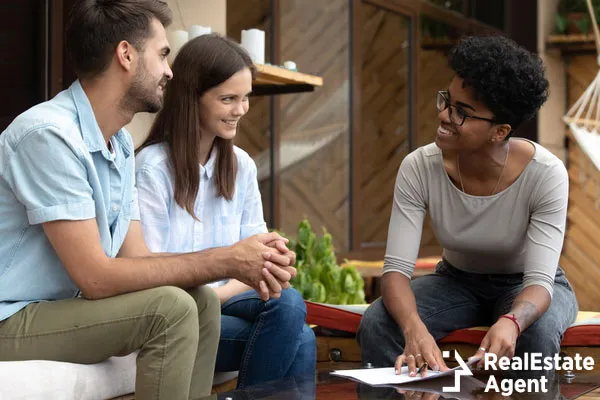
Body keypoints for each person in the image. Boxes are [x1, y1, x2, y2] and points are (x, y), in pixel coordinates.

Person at [0, 1, 296, 399]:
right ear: (126, 55)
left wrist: (241, 260)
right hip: (13, 316)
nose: (169, 71)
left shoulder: (118, 144)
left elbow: (136, 258)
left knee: (202, 302)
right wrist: (224, 259)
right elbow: (95, 276)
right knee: (168, 311)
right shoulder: (48, 135)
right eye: (162, 55)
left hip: (62, 310)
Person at [357, 35, 578, 379]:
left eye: (461, 112)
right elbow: (396, 272)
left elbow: (538, 282)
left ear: (499, 131)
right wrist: (414, 329)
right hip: (456, 281)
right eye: (448, 101)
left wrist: (511, 321)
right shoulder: (419, 167)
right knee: (378, 323)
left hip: (529, 285)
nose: (444, 115)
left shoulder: (545, 175)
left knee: (534, 335)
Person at [135, 33, 316, 389]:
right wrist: (222, 287)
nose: (241, 110)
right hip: (179, 313)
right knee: (302, 338)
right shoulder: (152, 169)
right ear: (192, 98)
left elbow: (258, 261)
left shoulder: (241, 166)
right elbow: (149, 273)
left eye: (245, 98)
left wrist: (271, 261)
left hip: (229, 299)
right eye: (228, 99)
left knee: (289, 304)